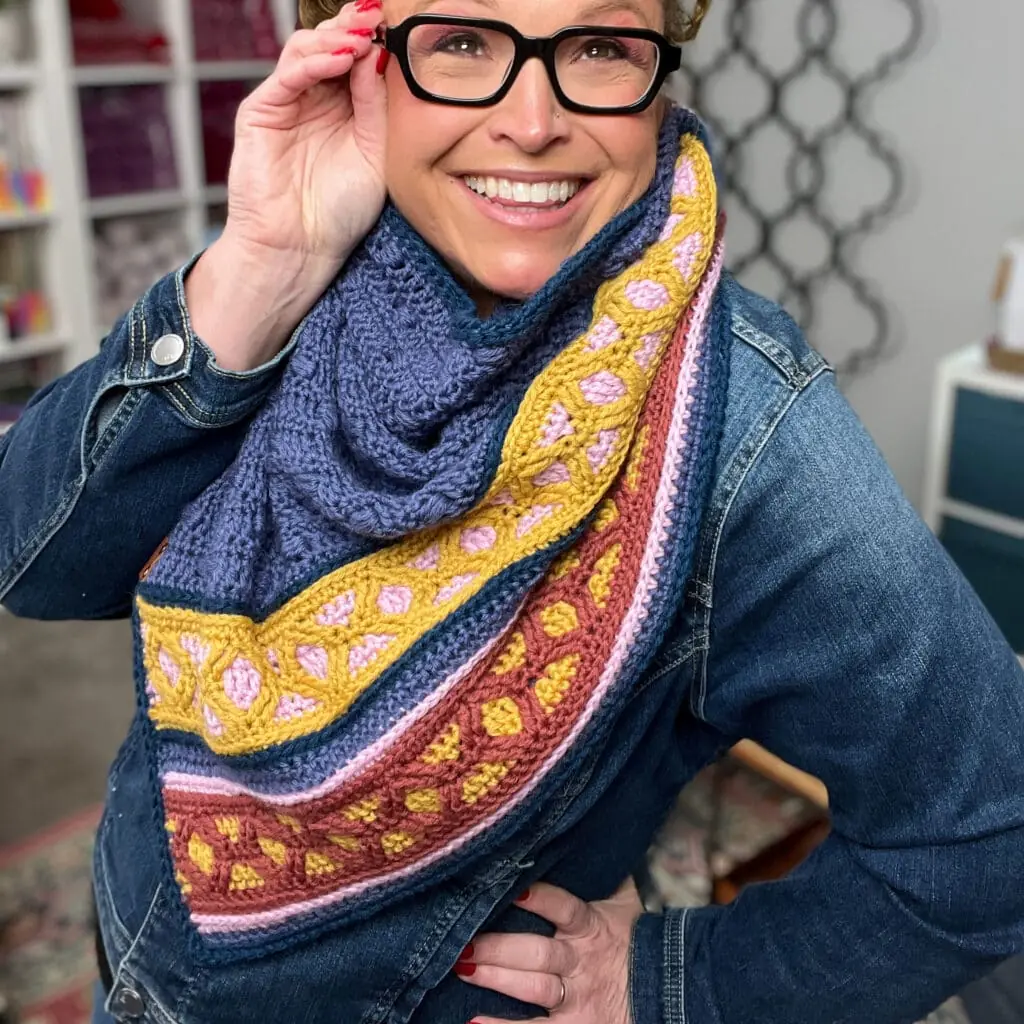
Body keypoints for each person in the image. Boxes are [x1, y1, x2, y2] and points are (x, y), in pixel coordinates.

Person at [1, 0, 1022, 1021]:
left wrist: (679, 981)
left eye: (598, 47)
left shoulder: (742, 436)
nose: (531, 120)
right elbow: (39, 564)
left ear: (660, 69)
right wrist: (261, 267)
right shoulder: (300, 270)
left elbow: (985, 837)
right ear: (366, 55)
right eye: (460, 42)